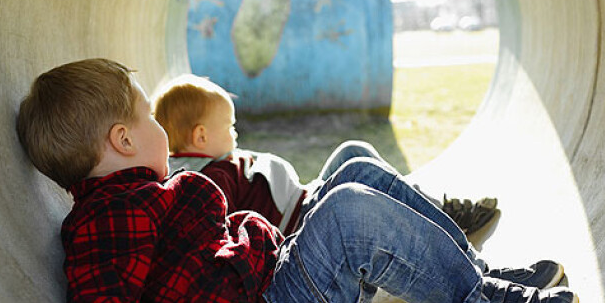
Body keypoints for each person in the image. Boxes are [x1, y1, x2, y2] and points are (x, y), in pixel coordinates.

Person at [16, 58, 580, 303]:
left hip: (274, 290)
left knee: (357, 165)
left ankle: (478, 282)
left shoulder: (142, 196)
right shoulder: (110, 217)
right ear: (124, 139)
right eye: (148, 118)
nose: (160, 130)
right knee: (349, 212)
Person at [153, 74, 498, 237]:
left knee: (352, 152)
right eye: (229, 125)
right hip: (303, 220)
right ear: (200, 135)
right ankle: (446, 218)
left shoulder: (218, 161)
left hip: (304, 199)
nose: (235, 133)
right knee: (358, 164)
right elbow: (217, 229)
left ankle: (431, 207)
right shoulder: (209, 178)